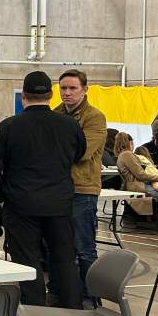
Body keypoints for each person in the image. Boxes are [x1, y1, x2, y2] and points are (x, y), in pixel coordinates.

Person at [0, 70, 85, 315]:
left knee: (27, 260)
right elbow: (79, 154)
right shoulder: (69, 125)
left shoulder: (9, 127)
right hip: (59, 203)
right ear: (51, 95)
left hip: (21, 204)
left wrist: (2, 195)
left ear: (23, 97)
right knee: (64, 259)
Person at [54, 69, 108, 289]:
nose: (67, 93)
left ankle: (90, 293)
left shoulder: (94, 116)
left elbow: (82, 151)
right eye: (63, 88)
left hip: (82, 189)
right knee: (58, 246)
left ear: (85, 90)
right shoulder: (55, 113)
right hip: (57, 188)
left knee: (84, 246)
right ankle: (60, 289)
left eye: (72, 88)